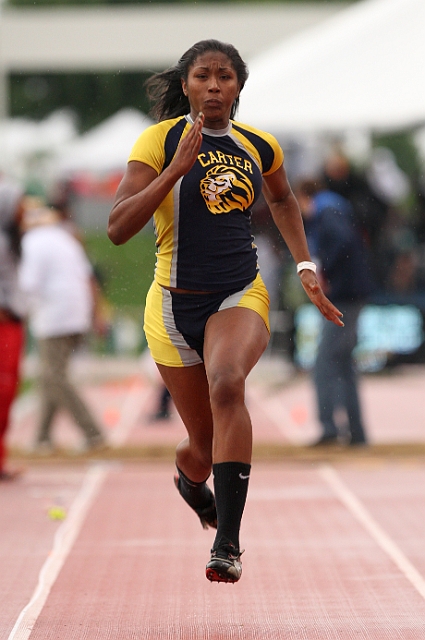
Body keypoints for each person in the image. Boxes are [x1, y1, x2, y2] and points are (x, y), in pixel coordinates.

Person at [107, 39, 343, 583]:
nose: (213, 86)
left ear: (238, 86)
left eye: (224, 77)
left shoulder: (260, 146)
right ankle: (191, 482)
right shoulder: (159, 141)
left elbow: (282, 199)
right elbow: (118, 229)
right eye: (202, 77)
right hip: (171, 306)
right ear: (186, 85)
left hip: (238, 293)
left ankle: (228, 544)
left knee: (228, 382)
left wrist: (305, 266)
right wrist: (175, 171)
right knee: (202, 446)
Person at [19, 205, 107, 454]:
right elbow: (88, 278)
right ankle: (42, 437)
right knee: (51, 376)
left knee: (54, 377)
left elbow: (28, 285)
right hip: (75, 314)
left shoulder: (33, 242)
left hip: (54, 317)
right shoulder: (66, 239)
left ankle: (93, 433)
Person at [295, 178, 373, 447]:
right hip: (352, 292)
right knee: (343, 363)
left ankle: (330, 428)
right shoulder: (335, 206)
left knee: (325, 363)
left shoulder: (326, 210)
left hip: (345, 295)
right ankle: (357, 432)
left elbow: (343, 241)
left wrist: (322, 269)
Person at [0, 178, 26, 481]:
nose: (24, 210)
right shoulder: (3, 243)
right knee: (4, 390)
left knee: (8, 392)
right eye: (19, 204)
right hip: (5, 325)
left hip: (13, 323)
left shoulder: (12, 238)